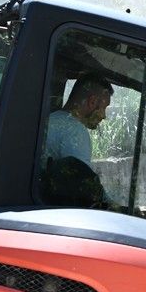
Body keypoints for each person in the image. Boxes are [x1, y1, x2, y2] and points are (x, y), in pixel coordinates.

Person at [42, 75, 113, 206]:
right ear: (92, 102)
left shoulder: (51, 119)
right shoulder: (75, 131)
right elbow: (86, 186)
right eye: (104, 107)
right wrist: (121, 209)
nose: (104, 116)